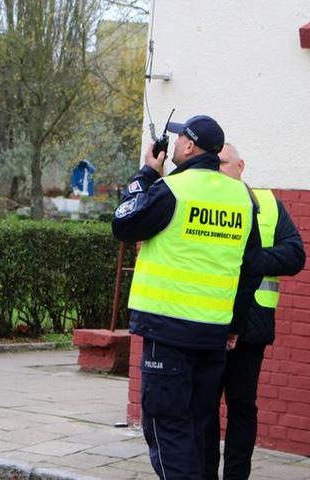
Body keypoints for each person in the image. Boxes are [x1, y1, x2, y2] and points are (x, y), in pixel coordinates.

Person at [112, 115, 263, 480]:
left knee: (167, 428)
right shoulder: (241, 198)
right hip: (212, 335)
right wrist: (235, 326)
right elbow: (249, 268)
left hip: (168, 332)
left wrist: (147, 174)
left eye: (180, 139)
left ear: (190, 147)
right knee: (196, 427)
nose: (176, 143)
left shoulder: (174, 190)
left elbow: (123, 222)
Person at [203, 144, 306, 480]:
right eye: (213, 164)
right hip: (210, 321)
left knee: (242, 408)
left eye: (223, 163)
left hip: (251, 326)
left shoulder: (267, 204)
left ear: (241, 166)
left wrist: (250, 261)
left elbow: (294, 255)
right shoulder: (202, 202)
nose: (218, 170)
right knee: (204, 409)